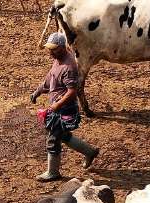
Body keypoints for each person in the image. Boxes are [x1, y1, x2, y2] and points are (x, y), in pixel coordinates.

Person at [30, 32, 100, 182]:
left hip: (64, 110)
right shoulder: (58, 60)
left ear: (62, 47)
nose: (50, 51)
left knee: (53, 138)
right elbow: (50, 80)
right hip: (58, 107)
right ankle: (90, 151)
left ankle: (53, 172)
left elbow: (72, 91)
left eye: (53, 49)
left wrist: (57, 104)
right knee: (63, 136)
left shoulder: (69, 67)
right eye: (49, 48)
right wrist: (38, 91)